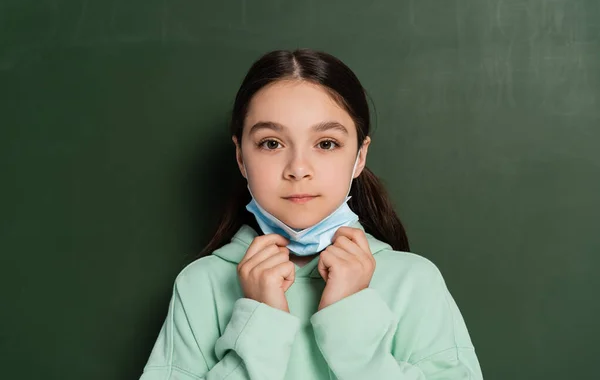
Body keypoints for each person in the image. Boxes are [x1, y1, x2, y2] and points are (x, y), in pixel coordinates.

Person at [139, 49, 484, 380]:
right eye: (272, 143)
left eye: (326, 144)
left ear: (360, 156)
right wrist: (262, 321)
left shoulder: (414, 281)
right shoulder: (200, 284)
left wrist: (349, 323)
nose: (298, 169)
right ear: (241, 157)